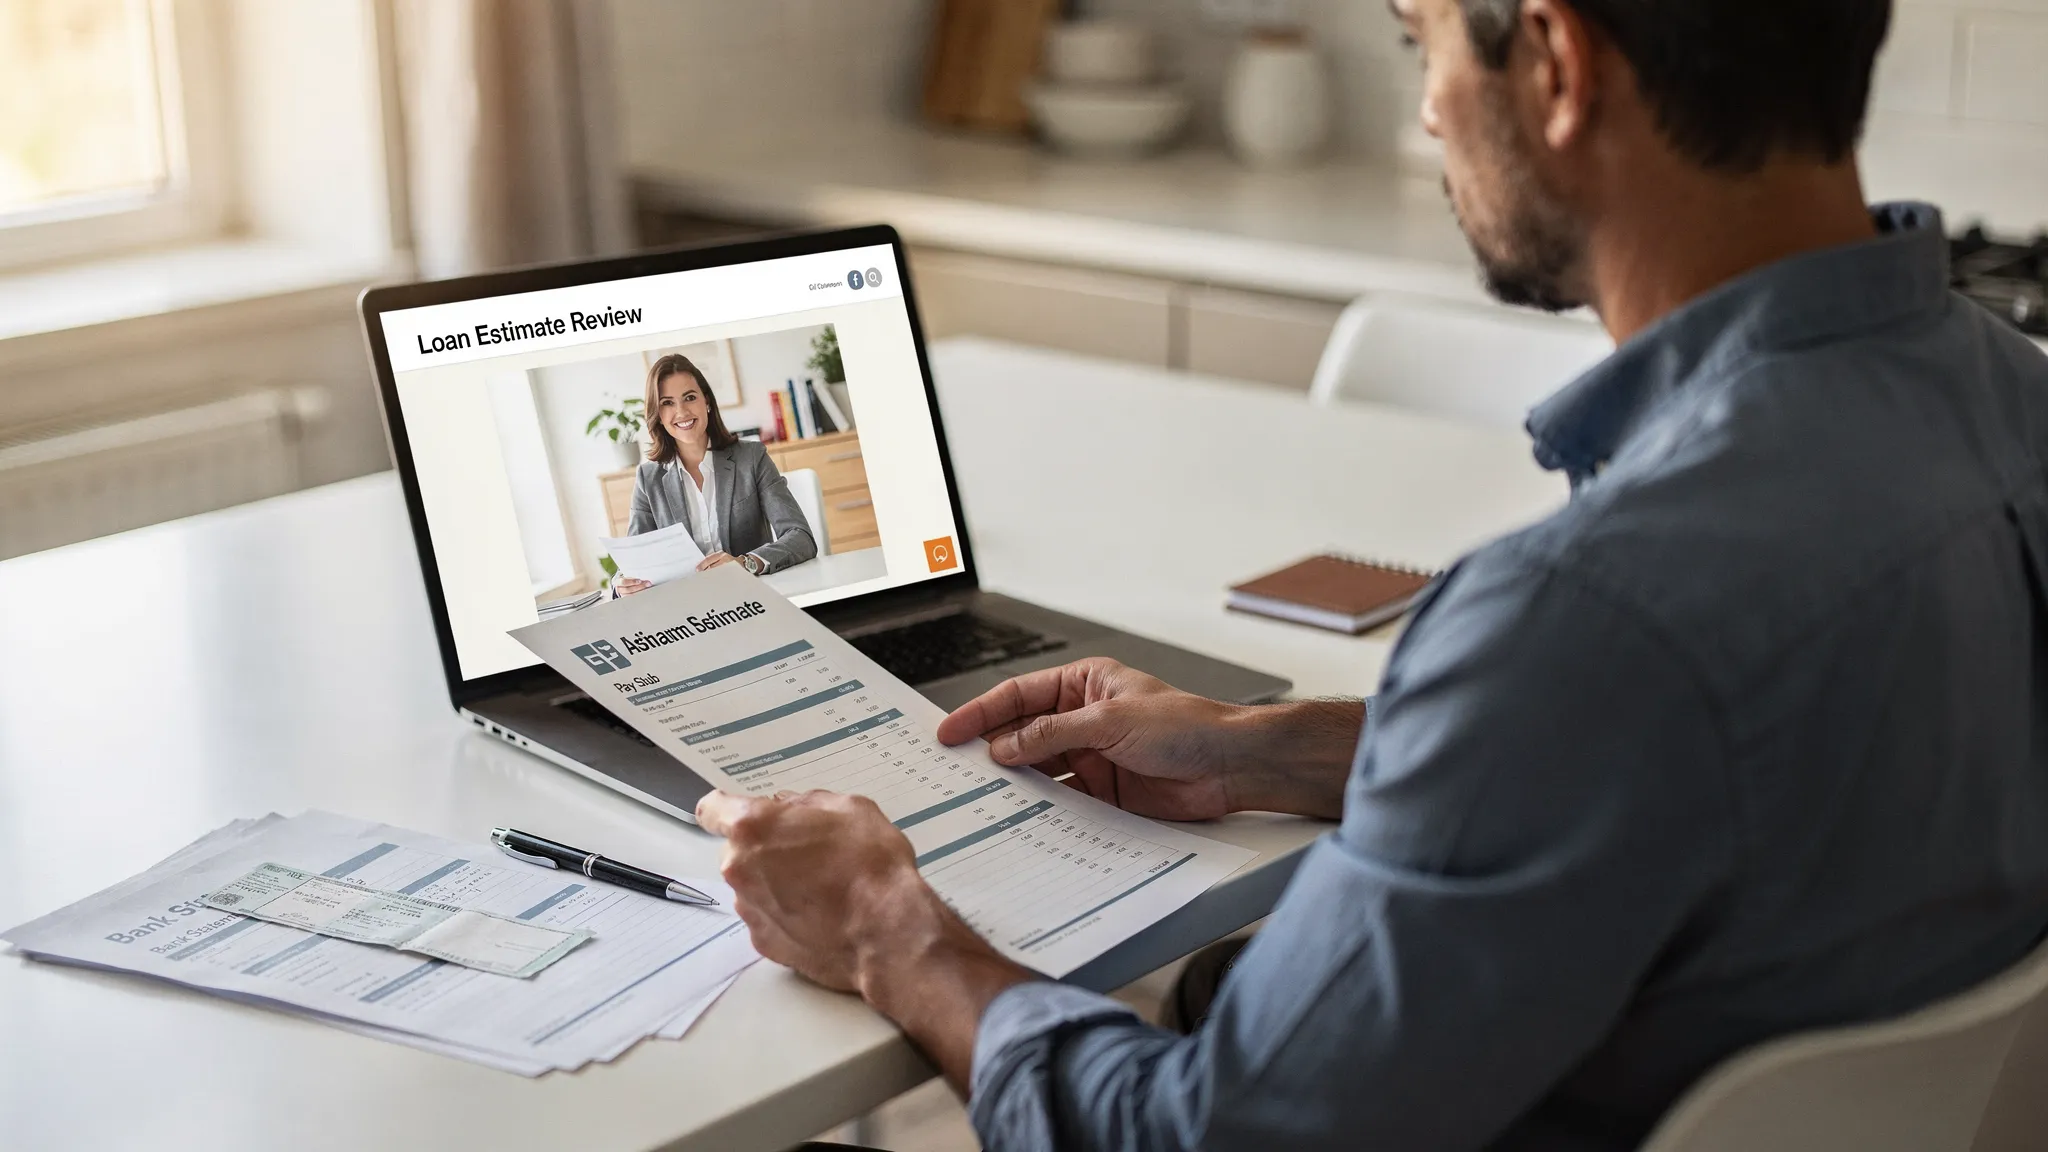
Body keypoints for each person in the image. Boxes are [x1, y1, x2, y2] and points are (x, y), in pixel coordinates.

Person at [698, 0, 2048, 1148]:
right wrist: (1282, 751)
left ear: (1559, 69)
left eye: (1422, 48)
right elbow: (1760, 756)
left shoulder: (1585, 616)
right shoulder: (2010, 405)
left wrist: (889, 929)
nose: (1427, 117)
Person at [614, 352, 816, 593]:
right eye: (667, 403)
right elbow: (634, 559)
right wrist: (620, 584)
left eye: (689, 397)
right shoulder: (648, 479)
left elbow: (800, 536)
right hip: (689, 607)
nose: (681, 412)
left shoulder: (750, 457)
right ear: (657, 414)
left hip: (751, 595)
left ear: (706, 401)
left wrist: (745, 563)